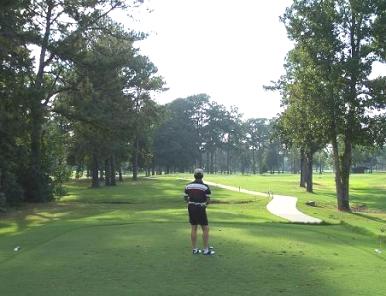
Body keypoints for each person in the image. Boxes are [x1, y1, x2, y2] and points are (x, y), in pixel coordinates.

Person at [184, 168, 215, 255]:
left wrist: (190, 203)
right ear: (202, 176)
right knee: (205, 228)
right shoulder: (205, 187)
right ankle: (206, 250)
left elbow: (185, 198)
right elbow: (208, 200)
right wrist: (205, 205)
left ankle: (194, 249)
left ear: (194, 175)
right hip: (200, 208)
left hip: (191, 207)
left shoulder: (188, 186)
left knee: (194, 227)